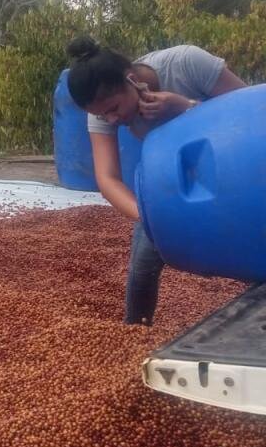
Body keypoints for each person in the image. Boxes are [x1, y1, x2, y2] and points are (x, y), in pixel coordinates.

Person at [65, 35, 246, 325]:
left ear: (132, 80)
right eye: (101, 115)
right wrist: (150, 217)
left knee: (248, 252)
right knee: (142, 263)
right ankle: (134, 332)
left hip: (237, 173)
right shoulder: (102, 111)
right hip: (176, 178)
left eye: (113, 109)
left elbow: (252, 114)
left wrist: (185, 106)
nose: (110, 120)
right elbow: (107, 178)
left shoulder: (186, 63)